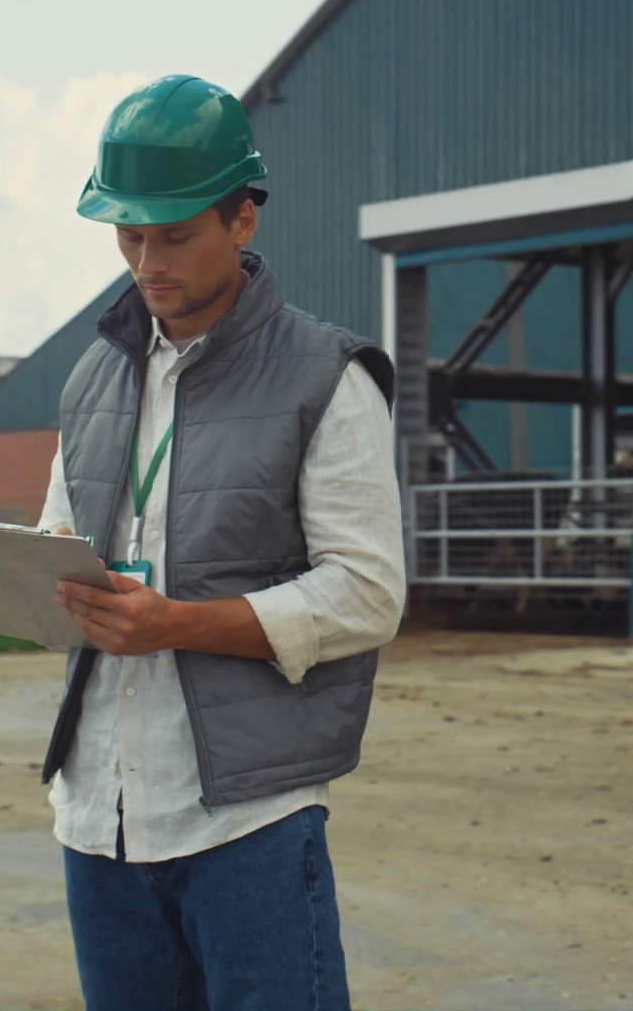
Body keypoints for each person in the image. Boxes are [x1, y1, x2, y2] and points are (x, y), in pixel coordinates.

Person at [38, 74, 406, 1011]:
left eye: (175, 233)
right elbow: (57, 539)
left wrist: (177, 623)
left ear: (243, 219)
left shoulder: (328, 377)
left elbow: (367, 595)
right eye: (130, 234)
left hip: (246, 818)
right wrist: (49, 583)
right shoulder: (93, 376)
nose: (147, 261)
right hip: (99, 815)